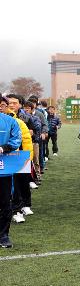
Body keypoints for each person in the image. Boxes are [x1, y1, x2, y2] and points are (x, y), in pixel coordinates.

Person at [0, 96, 22, 248]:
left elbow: (17, 139)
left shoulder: (10, 121)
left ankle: (3, 236)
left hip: (4, 170)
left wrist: (4, 148)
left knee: (4, 204)